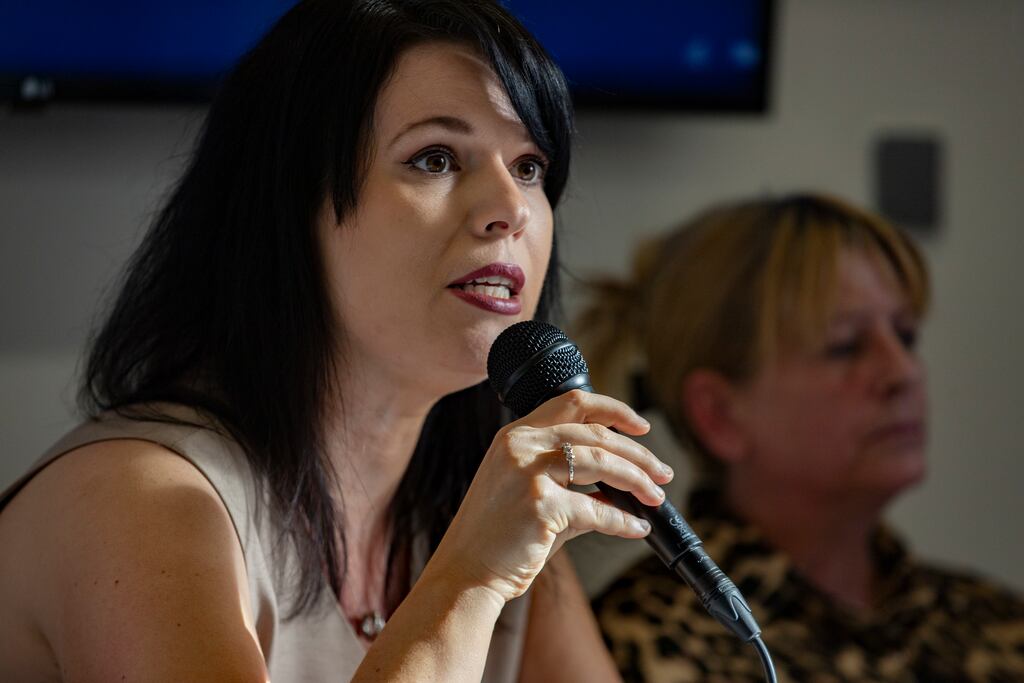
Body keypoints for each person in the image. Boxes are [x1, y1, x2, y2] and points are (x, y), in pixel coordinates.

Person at [0, 1, 675, 680]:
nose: (512, 208)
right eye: (436, 158)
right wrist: (470, 581)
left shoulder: (481, 510)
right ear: (288, 206)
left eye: (529, 166)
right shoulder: (140, 502)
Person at [578, 193, 1024, 682]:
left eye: (906, 336)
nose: (904, 372)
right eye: (845, 347)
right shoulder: (634, 645)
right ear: (720, 415)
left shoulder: (995, 624)